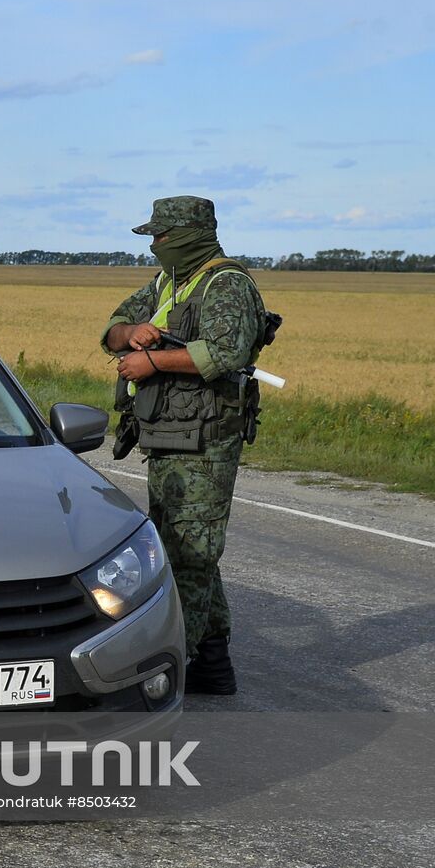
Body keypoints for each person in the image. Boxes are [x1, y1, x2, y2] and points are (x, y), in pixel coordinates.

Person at [101, 196, 269, 695]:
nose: (154, 246)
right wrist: (132, 334)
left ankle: (174, 664)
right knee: (182, 543)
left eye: (160, 237)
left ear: (188, 236)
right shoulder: (167, 283)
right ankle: (214, 665)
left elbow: (226, 351)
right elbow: (111, 329)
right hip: (167, 434)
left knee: (190, 554)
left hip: (206, 442)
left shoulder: (228, 284)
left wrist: (153, 364)